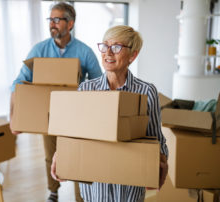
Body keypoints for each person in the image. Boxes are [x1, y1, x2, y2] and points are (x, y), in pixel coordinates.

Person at [51, 25, 169, 202]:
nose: (108, 53)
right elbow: (73, 135)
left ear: (133, 55)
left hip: (129, 188)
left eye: (116, 47)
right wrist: (60, 154)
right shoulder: (86, 89)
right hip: (95, 189)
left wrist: (160, 162)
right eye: (105, 46)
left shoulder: (146, 91)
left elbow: (155, 137)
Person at [9, 2, 102, 202]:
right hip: (48, 115)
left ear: (70, 24)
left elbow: (99, 84)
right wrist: (14, 118)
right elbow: (18, 83)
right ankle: (53, 191)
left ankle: (82, 197)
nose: (52, 24)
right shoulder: (39, 49)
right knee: (51, 156)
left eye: (57, 19)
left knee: (78, 156)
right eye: (50, 19)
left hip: (76, 116)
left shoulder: (84, 52)